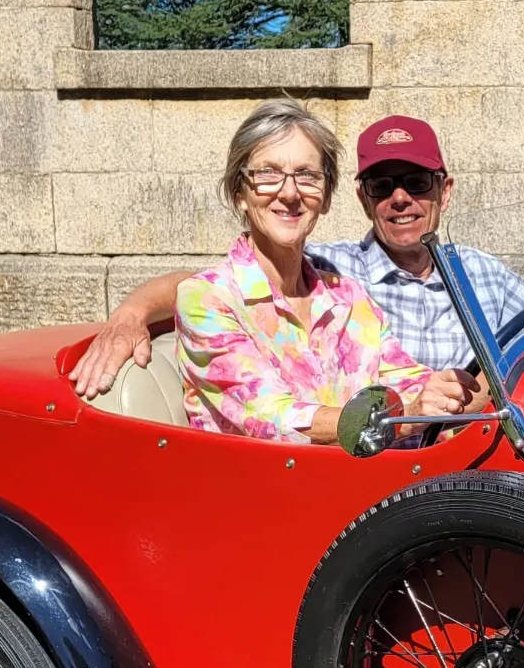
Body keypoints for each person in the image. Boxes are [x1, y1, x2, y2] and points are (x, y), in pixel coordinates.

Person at [71, 112, 524, 398]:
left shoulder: (475, 273)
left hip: (463, 453)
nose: (401, 199)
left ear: (445, 191)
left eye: (417, 183)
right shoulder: (332, 270)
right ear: (363, 199)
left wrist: (471, 394)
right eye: (383, 186)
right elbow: (212, 287)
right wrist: (131, 313)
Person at [177, 99, 473, 443]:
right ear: (239, 193)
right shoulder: (207, 299)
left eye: (307, 176)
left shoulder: (348, 297)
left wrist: (443, 393)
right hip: (257, 477)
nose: (290, 193)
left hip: (364, 476)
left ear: (327, 197)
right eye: (268, 174)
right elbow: (272, 418)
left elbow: (406, 381)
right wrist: (402, 420)